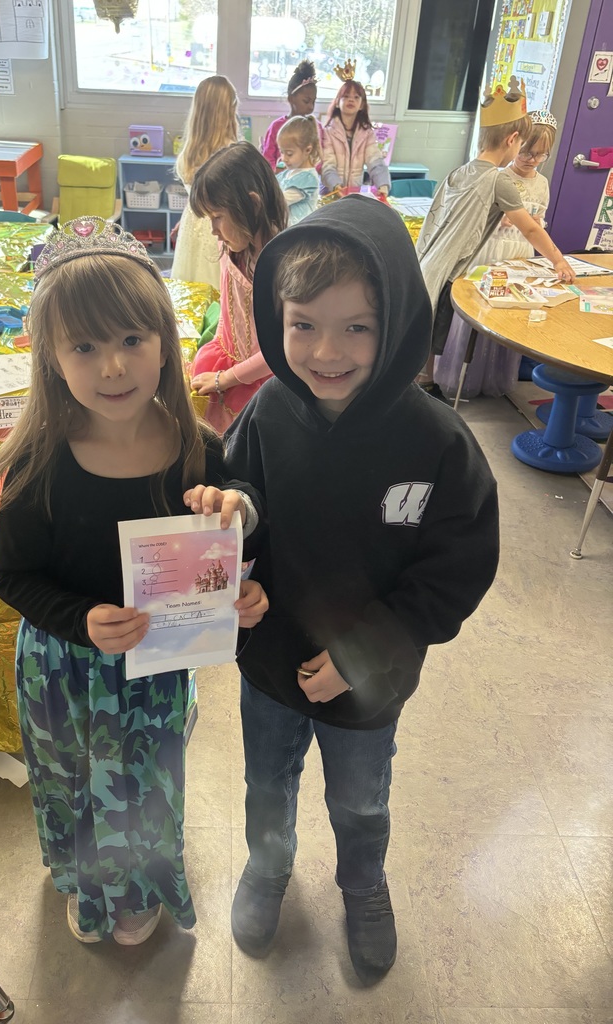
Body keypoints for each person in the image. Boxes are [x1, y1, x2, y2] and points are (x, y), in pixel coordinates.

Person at [223, 195, 499, 983]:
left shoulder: (437, 441)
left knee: (361, 800)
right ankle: (267, 868)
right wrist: (234, 520)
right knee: (267, 786)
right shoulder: (269, 410)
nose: (326, 351)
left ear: (398, 325)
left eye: (357, 327)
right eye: (303, 323)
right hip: (271, 667)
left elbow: (456, 570)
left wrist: (362, 654)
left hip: (369, 681)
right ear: (277, 317)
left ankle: (362, 884)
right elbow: (239, 489)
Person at [0, 216, 269, 946]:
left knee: (148, 783)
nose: (113, 367)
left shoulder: (193, 447)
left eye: (131, 340)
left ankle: (140, 885)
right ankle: (86, 882)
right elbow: (12, 575)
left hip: (155, 669)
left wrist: (238, 522)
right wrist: (79, 619)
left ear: (165, 343)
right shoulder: (40, 464)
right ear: (51, 357)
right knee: (73, 780)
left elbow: (238, 515)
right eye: (85, 346)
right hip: (63, 669)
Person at [416, 79, 573, 397]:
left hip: (430, 262)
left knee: (428, 332)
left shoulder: (458, 171)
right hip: (449, 270)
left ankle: (424, 382)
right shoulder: (499, 181)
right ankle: (423, 390)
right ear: (513, 139)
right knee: (435, 333)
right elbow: (530, 228)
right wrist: (557, 259)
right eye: (521, 146)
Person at [189, 141, 288, 433]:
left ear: (253, 204)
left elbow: (278, 351)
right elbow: (228, 318)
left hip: (262, 381)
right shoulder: (230, 247)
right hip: (227, 364)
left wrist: (224, 379)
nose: (213, 230)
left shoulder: (281, 266)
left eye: (217, 216)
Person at [171, 75, 240, 290]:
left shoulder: (189, 152)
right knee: (216, 285)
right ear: (227, 111)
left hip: (193, 222)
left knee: (190, 284)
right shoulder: (231, 153)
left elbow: (195, 197)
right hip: (218, 226)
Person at [321, 67, 389, 197]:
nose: (351, 100)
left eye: (356, 97)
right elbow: (327, 165)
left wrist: (383, 184)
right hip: (330, 193)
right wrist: (336, 186)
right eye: (346, 96)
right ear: (337, 102)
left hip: (353, 193)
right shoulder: (328, 131)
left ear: (362, 104)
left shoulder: (367, 133)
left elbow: (375, 161)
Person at [261, 59, 325, 172]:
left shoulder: (317, 127)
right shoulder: (276, 126)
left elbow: (322, 157)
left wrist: (311, 170)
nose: (311, 107)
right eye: (306, 101)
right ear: (291, 99)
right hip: (281, 183)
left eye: (313, 102)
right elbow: (267, 158)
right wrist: (277, 171)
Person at [275, 115, 321, 226]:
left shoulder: (308, 178)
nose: (284, 158)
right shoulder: (286, 174)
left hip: (300, 231)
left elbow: (281, 201)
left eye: (289, 153)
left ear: (307, 150)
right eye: (282, 152)